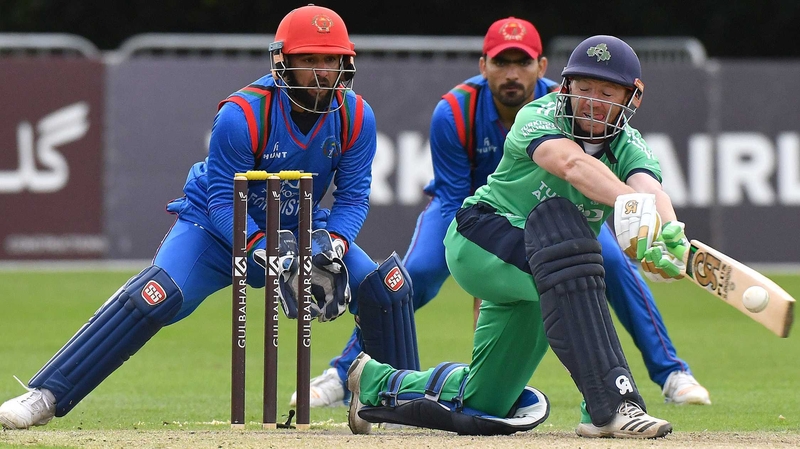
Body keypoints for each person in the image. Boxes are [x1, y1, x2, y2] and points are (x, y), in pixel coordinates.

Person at [0, 5, 419, 430]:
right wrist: (260, 246)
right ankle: (46, 394)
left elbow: (353, 197)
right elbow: (222, 201)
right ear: (282, 62)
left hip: (299, 228)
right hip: (217, 231)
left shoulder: (355, 116)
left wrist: (335, 243)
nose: (320, 73)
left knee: (387, 287)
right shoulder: (243, 115)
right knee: (154, 295)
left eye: (330, 61)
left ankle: (398, 404)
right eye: (308, 59)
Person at [294, 17, 709, 410]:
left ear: (541, 67)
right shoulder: (459, 111)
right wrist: (493, 272)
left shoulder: (599, 118)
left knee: (614, 265)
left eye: (522, 63)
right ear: (484, 66)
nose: (512, 74)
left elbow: (644, 184)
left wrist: (667, 229)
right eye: (501, 63)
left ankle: (672, 372)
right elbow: (470, 192)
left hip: (565, 209)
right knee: (415, 273)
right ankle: (342, 372)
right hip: (478, 209)